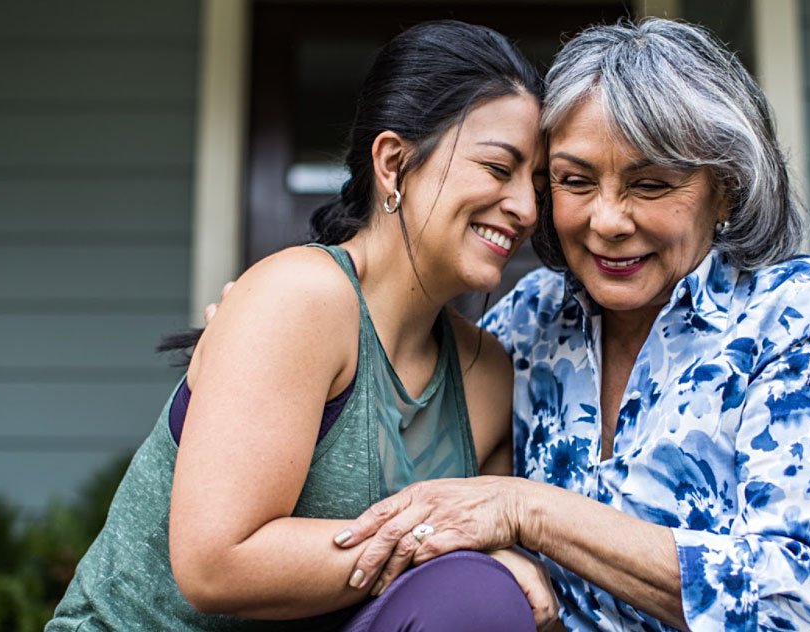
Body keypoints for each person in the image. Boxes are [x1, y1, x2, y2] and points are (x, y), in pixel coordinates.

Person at [329, 19, 810, 632]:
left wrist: (525, 512)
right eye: (576, 181)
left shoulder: (798, 312)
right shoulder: (532, 322)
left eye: (650, 185)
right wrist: (278, 333)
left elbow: (789, 604)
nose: (607, 220)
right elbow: (407, 459)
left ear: (724, 187)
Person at [46, 20, 559, 632]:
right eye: (498, 169)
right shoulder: (303, 297)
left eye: (537, 182)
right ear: (394, 164)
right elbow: (215, 566)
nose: (527, 210)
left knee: (478, 598)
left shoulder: (486, 376)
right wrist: (444, 540)